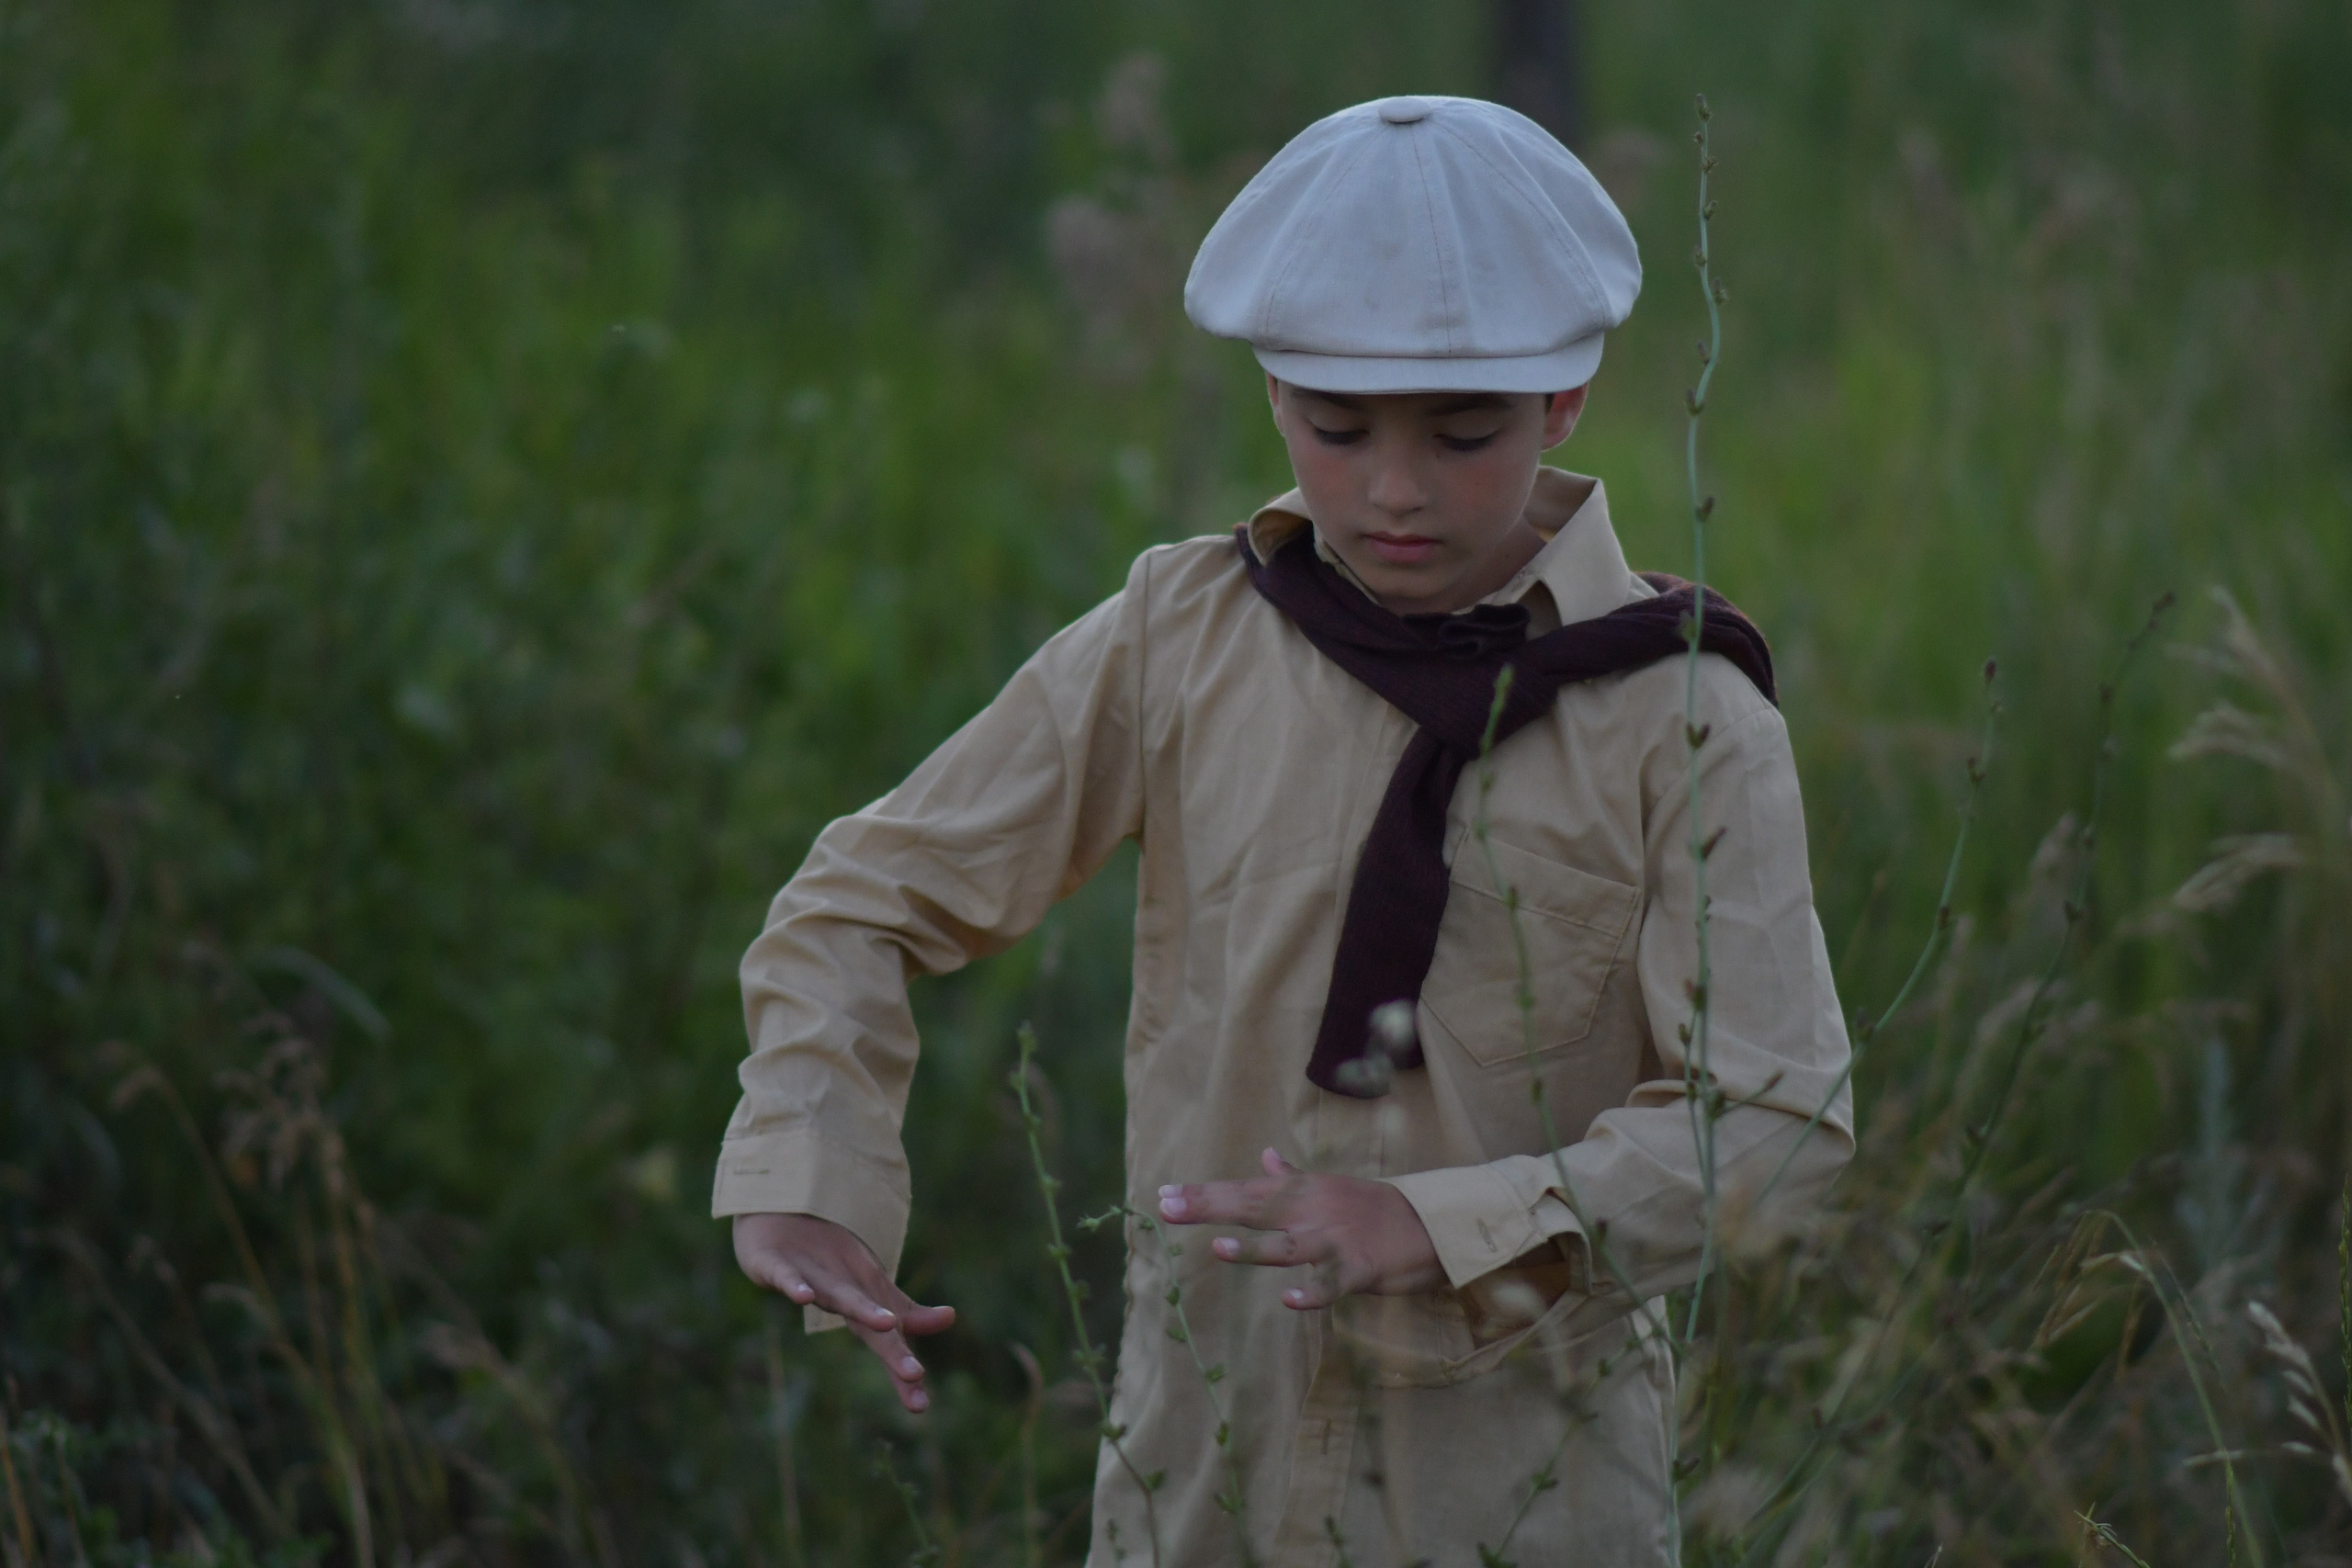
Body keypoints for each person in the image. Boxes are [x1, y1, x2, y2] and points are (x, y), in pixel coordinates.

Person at [717, 94, 1853, 1566]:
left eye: (1462, 435)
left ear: (1565, 399)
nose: (1393, 490)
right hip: (1204, 1469)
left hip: (1519, 1495)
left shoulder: (1682, 719)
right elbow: (863, 897)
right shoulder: (1176, 640)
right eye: (1337, 427)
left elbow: (1776, 1124)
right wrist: (810, 1176)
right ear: (1271, 393)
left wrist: (1445, 1221)